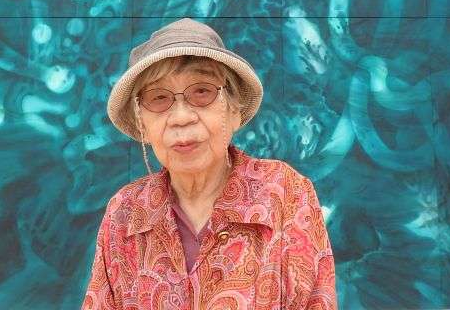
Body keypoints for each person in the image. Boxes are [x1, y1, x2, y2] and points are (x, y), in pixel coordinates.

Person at [81, 18, 336, 309]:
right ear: (143, 125)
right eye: (158, 98)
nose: (181, 117)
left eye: (202, 92)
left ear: (234, 111)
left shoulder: (284, 192)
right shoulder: (125, 212)